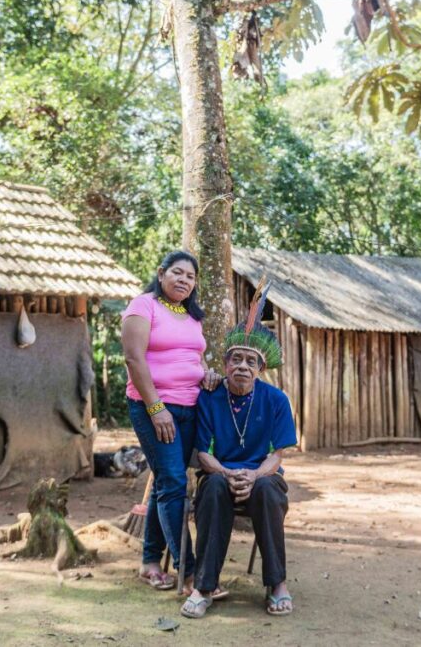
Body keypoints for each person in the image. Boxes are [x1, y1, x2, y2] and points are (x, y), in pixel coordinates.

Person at [181, 284, 297, 619]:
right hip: (220, 473)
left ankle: (277, 585)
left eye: (251, 361)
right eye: (236, 359)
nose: (242, 366)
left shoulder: (276, 400)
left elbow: (277, 456)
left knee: (266, 490)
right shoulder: (209, 398)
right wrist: (229, 473)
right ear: (225, 363)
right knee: (213, 487)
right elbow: (203, 453)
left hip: (263, 476)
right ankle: (204, 587)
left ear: (261, 368)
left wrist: (253, 474)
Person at [121, 251, 222, 593]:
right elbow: (134, 358)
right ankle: (187, 572)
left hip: (191, 408)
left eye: (190, 277)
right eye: (177, 273)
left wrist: (205, 374)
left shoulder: (192, 315)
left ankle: (150, 561)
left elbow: (194, 357)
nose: (184, 280)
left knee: (168, 484)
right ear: (161, 273)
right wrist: (155, 407)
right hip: (154, 408)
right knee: (175, 484)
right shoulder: (143, 305)